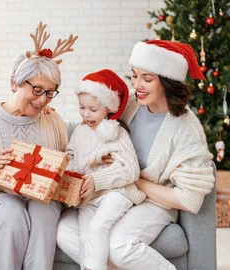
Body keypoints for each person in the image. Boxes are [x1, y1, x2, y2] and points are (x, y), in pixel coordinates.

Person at [57, 40, 215, 270]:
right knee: (64, 233)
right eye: (134, 75)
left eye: (147, 79)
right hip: (114, 194)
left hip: (152, 203)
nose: (137, 85)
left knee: (118, 246)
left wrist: (133, 179)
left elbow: (189, 200)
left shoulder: (186, 129)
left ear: (167, 82)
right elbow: (93, 125)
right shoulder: (130, 104)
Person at [0, 22, 77, 269]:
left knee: (43, 210)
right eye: (36, 90)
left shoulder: (53, 119)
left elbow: (68, 163)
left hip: (42, 200)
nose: (42, 99)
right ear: (15, 82)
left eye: (50, 92)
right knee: (10, 209)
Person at [60, 69, 146, 270]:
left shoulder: (115, 133)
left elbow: (131, 170)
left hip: (115, 194)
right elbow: (70, 155)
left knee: (97, 227)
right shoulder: (80, 132)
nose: (86, 114)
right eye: (82, 107)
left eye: (92, 109)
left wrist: (97, 179)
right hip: (87, 198)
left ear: (108, 108)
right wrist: (70, 171)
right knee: (83, 234)